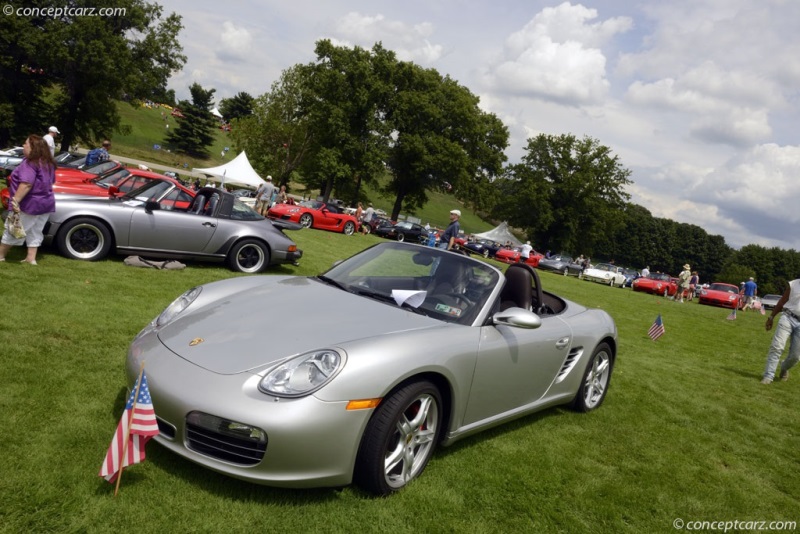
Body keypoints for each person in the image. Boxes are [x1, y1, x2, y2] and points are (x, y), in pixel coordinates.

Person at [0, 135, 56, 265]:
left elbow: (26, 183)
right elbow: (51, 181)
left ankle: (1, 255)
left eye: (26, 144)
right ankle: (31, 258)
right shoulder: (48, 163)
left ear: (33, 148)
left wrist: (15, 201)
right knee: (35, 230)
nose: (23, 145)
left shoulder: (30, 163)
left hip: (29, 204)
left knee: (13, 229)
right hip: (45, 203)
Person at [761, 279, 800, 384]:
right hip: (787, 317)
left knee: (795, 357)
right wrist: (771, 317)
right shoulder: (793, 284)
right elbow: (782, 301)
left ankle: (784, 367)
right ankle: (768, 376)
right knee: (777, 347)